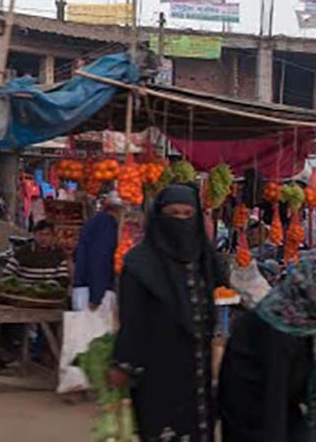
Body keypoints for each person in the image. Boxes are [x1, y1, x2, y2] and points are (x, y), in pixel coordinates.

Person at [109, 184, 226, 441]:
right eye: (173, 214)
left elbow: (222, 289)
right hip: (157, 366)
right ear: (159, 217)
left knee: (198, 429)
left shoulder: (204, 259)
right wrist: (124, 364)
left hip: (198, 366)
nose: (181, 221)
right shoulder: (140, 264)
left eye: (188, 214)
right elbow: (132, 320)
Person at [219, 249, 316, 441]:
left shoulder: (308, 318)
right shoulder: (277, 325)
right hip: (254, 418)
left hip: (283, 408)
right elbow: (273, 395)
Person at [72, 191, 122, 312]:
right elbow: (100, 258)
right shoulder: (106, 224)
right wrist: (96, 297)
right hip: (93, 292)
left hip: (86, 288)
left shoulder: (96, 222)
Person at [3, 220, 70, 286]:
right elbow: (7, 273)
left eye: (47, 235)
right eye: (40, 234)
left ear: (52, 236)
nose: (43, 238)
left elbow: (63, 278)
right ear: (34, 235)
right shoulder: (23, 252)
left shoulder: (58, 254)